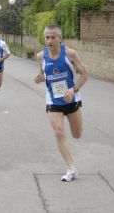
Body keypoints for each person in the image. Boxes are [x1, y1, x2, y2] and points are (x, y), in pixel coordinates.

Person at [34, 25, 88, 182]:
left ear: (60, 39)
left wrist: (73, 90)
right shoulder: (41, 56)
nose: (49, 41)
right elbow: (43, 74)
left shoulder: (70, 54)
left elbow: (85, 74)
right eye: (47, 38)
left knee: (76, 134)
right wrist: (39, 78)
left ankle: (72, 165)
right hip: (53, 100)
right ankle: (72, 168)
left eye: (53, 37)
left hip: (72, 99)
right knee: (59, 132)